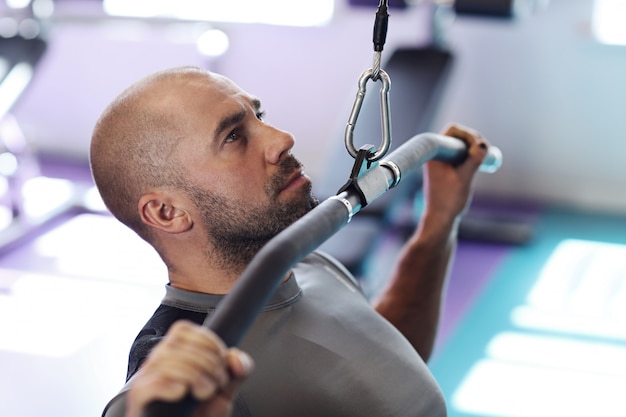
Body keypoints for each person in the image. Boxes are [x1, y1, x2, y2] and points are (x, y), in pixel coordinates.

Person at [91, 65, 490, 417]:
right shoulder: (185, 380)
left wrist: (440, 220)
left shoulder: (306, 263)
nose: (282, 137)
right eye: (233, 136)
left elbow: (387, 370)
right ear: (167, 213)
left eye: (259, 115)